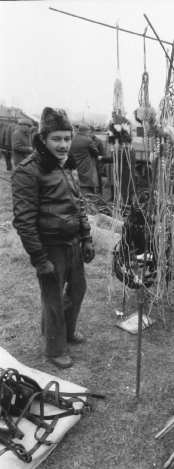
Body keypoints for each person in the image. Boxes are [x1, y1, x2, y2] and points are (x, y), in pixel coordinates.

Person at [11, 107, 95, 368]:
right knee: (53, 297)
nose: (63, 145)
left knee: (78, 289)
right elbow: (23, 221)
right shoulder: (28, 171)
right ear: (43, 139)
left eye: (67, 138)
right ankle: (55, 347)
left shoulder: (67, 165)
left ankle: (66, 331)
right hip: (50, 247)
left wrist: (87, 236)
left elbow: (78, 204)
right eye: (56, 139)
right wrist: (39, 258)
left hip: (73, 243)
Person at [70, 124, 99, 196]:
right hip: (84, 165)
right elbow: (95, 153)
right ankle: (84, 201)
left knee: (75, 183)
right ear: (86, 132)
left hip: (74, 165)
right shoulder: (87, 140)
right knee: (84, 185)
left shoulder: (72, 138)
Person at [89, 126, 105, 195]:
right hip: (89, 163)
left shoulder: (98, 141)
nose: (90, 134)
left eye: (91, 132)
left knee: (98, 179)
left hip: (97, 163)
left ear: (94, 132)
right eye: (89, 132)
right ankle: (91, 193)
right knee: (90, 179)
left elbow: (102, 153)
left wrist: (100, 163)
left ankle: (100, 194)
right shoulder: (86, 140)